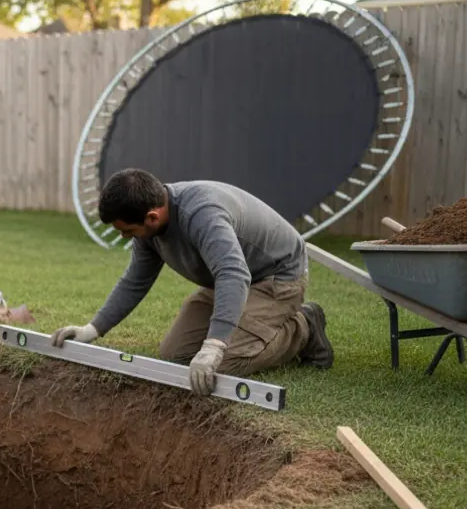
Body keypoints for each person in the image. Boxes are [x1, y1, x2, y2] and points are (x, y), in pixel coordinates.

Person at [51, 168, 333, 395]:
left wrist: (214, 345)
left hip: (276, 277)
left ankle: (304, 328)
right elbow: (134, 282)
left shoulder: (202, 213)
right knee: (176, 355)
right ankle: (254, 329)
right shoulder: (149, 228)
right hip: (227, 281)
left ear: (152, 216)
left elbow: (233, 274)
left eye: (127, 230)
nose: (126, 237)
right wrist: (92, 329)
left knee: (224, 363)